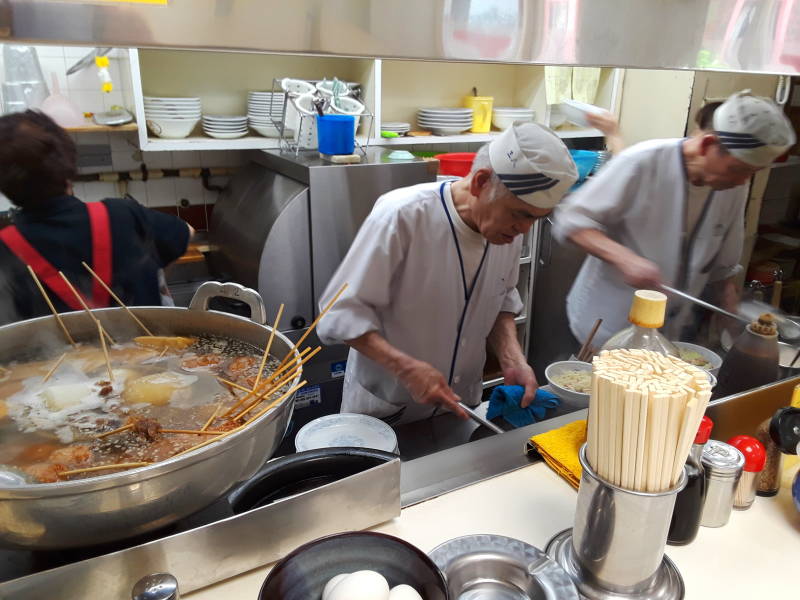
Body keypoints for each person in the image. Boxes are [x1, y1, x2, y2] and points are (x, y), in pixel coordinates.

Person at [317, 123, 578, 425]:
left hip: (458, 408)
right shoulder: (402, 216)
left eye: (536, 219)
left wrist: (511, 355)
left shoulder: (507, 229)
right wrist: (404, 367)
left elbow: (503, 296)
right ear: (481, 182)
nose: (524, 229)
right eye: (521, 214)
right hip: (386, 411)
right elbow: (337, 314)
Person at [554, 90, 796, 347]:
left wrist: (730, 315)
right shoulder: (642, 162)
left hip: (669, 336)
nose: (743, 180)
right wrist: (624, 258)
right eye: (738, 169)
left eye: (752, 173)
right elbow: (571, 218)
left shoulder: (732, 185)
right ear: (706, 145)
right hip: (606, 328)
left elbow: (723, 267)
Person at [0, 110, 192, 325]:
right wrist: (152, 269)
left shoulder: (4, 248)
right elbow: (186, 232)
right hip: (150, 354)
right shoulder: (123, 214)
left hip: (55, 358)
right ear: (67, 159)